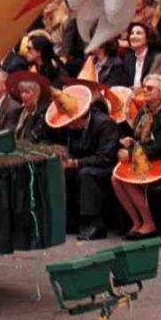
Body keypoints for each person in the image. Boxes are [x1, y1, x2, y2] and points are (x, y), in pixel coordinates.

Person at [112, 75, 161, 239]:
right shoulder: (143, 111)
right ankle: (136, 222)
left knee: (127, 179)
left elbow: (159, 148)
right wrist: (130, 142)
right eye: (144, 87)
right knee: (116, 178)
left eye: (150, 88)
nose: (145, 90)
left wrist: (130, 153)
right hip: (143, 157)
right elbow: (140, 138)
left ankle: (149, 223)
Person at [55, 89, 123, 240]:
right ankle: (71, 220)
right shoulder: (74, 128)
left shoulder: (105, 124)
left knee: (86, 174)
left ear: (78, 118)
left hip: (108, 166)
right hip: (87, 163)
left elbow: (105, 157)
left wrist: (76, 162)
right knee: (66, 172)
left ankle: (96, 224)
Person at [10, 73, 52, 144]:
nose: (23, 95)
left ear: (37, 94)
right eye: (21, 92)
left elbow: (33, 138)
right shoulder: (16, 113)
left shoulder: (43, 112)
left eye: (27, 92)